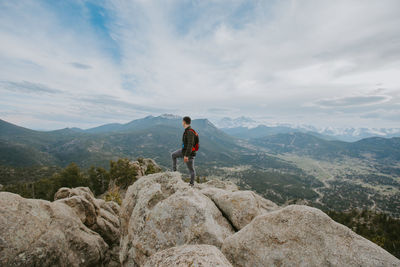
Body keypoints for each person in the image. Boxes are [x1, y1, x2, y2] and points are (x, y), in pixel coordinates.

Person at [171, 116, 197, 186]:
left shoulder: (190, 132)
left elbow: (190, 145)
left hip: (189, 154)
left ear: (184, 122)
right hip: (183, 151)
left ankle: (191, 184)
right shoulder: (187, 130)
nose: (182, 123)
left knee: (191, 170)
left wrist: (186, 155)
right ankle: (174, 172)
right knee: (173, 155)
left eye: (182, 121)